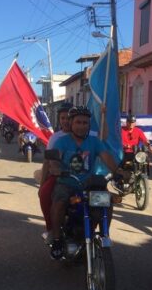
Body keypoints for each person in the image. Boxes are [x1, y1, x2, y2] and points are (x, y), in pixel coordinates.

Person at [49, 106, 127, 259]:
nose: (81, 126)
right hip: (67, 183)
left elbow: (107, 158)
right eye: (78, 122)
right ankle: (57, 239)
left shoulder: (95, 142)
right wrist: (56, 168)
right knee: (59, 201)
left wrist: (118, 172)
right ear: (71, 123)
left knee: (107, 201)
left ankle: (104, 235)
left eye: (85, 123)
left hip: (88, 185)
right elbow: (53, 160)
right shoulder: (62, 141)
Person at [38, 102, 73, 239]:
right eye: (62, 118)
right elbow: (47, 161)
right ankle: (51, 229)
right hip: (60, 175)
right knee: (45, 194)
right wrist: (42, 184)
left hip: (82, 175)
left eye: (68, 118)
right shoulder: (55, 138)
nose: (65, 121)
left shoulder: (86, 135)